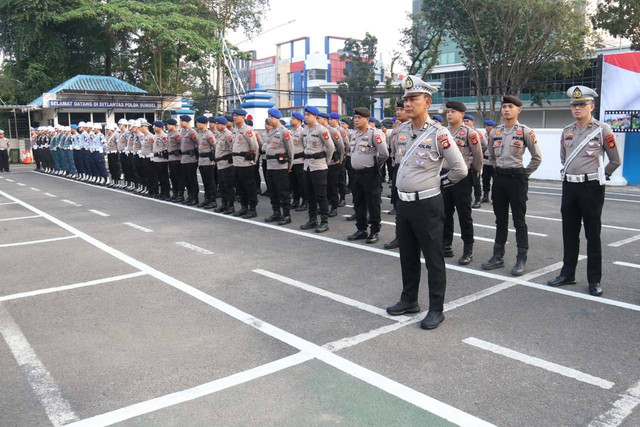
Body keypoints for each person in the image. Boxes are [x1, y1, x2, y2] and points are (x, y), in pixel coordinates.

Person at [386, 75, 467, 330]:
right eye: (405, 99)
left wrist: (437, 186)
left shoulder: (439, 133)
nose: (407, 103)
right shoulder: (401, 132)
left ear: (427, 102)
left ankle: (436, 309)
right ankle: (409, 300)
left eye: (413, 98)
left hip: (428, 205)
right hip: (405, 204)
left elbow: (460, 169)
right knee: (407, 256)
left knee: (433, 259)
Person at [547, 86, 622, 297]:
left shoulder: (602, 130)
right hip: (569, 186)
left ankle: (594, 280)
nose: (577, 108)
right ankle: (567, 274)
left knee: (592, 235)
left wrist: (600, 176)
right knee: (569, 233)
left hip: (591, 187)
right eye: (574, 104)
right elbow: (564, 158)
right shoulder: (566, 131)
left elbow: (615, 160)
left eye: (581, 104)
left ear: (591, 106)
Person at [482, 95, 542, 276]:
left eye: (510, 107)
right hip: (499, 178)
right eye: (504, 106)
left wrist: (524, 174)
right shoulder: (495, 132)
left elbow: (537, 157)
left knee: (519, 220)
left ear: (518, 110)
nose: (506, 109)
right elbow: (490, 155)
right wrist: (498, 170)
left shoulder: (525, 131)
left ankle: (521, 259)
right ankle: (497, 257)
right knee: (500, 219)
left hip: (517, 179)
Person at [442, 101, 483, 265]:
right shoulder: (442, 132)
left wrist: (474, 172)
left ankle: (468, 249)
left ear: (462, 114)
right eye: (448, 112)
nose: (449, 114)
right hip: (444, 176)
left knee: (464, 215)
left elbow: (478, 155)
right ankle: (446, 245)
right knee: (445, 213)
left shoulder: (469, 133)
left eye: (453, 111)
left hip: (462, 178)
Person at [347, 107, 389, 244]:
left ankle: (374, 230)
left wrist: (376, 167)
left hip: (370, 174)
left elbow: (384, 154)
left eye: (359, 118)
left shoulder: (374, 134)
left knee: (373, 204)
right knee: (358, 202)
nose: (356, 120)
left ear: (366, 119)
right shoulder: (354, 134)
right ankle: (361, 229)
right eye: (355, 117)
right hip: (356, 174)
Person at [300, 105, 334, 233]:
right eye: (305, 114)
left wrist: (325, 161)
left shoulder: (321, 130)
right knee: (309, 194)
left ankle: (324, 221)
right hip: (307, 165)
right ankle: (312, 219)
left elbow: (330, 147)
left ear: (315, 116)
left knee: (321, 195)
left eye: (308, 115)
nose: (306, 117)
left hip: (319, 166)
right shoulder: (305, 130)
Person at [384, 101, 410, 250]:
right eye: (398, 109)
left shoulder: (421, 129)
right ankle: (399, 237)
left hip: (413, 170)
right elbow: (393, 151)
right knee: (398, 205)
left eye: (402, 109)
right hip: (398, 168)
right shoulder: (397, 130)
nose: (399, 111)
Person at [263, 108, 294, 225]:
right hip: (270, 166)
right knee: (272, 191)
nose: (269, 119)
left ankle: (286, 215)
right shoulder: (270, 132)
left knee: (283, 192)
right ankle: (276, 212)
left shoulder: (284, 132)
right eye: (268, 117)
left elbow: (290, 149)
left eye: (271, 117)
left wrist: (290, 165)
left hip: (280, 166)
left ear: (277, 118)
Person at [231, 109, 260, 218]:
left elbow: (255, 146)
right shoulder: (235, 130)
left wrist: (254, 160)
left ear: (243, 117)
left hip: (246, 163)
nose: (234, 117)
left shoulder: (248, 130)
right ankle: (244, 207)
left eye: (237, 115)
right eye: (233, 115)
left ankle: (252, 209)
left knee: (249, 186)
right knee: (240, 187)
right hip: (237, 163)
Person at [319, 112, 345, 217]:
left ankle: (334, 207)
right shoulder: (317, 130)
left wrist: (340, 159)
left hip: (332, 163)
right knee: (322, 187)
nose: (317, 120)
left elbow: (341, 147)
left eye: (319, 118)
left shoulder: (332, 131)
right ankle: (323, 207)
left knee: (332, 185)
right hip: (320, 163)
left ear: (325, 120)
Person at [213, 116, 236, 214]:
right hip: (219, 164)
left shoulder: (228, 135)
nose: (216, 125)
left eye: (218, 123)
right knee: (222, 186)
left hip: (227, 164)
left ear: (223, 124)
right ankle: (224, 204)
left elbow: (232, 148)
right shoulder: (219, 135)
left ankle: (230, 205)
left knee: (228, 186)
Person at [463, 113, 485, 209]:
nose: (465, 122)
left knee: (476, 182)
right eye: (464, 121)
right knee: (465, 182)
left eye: (467, 121)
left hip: (474, 161)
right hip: (464, 162)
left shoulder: (476, 133)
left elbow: (484, 145)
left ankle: (477, 200)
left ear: (473, 122)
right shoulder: (462, 132)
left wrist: (476, 153)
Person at [195, 115, 217, 209]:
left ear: (203, 123)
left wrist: (214, 156)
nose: (196, 124)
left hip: (208, 161)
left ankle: (213, 200)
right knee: (205, 182)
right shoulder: (200, 134)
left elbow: (215, 145)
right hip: (202, 161)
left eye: (198, 122)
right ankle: (207, 199)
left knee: (210, 182)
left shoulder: (209, 134)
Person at [289, 112, 307, 212]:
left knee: (302, 183)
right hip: (292, 161)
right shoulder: (290, 132)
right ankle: (296, 201)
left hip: (300, 161)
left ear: (299, 121)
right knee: (293, 183)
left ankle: (305, 201)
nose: (291, 120)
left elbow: (305, 146)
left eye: (293, 118)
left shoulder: (302, 132)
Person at [165, 118, 185, 203]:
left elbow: (182, 144)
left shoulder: (177, 134)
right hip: (170, 158)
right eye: (167, 124)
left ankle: (180, 195)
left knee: (178, 177)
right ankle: (175, 193)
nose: (167, 126)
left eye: (169, 124)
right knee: (172, 177)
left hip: (177, 158)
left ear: (174, 125)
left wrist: (179, 151)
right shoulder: (169, 134)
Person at [152, 120, 171, 200]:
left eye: (155, 126)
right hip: (156, 159)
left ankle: (166, 193)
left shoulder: (164, 136)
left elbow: (167, 146)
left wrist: (164, 153)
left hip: (162, 160)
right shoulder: (156, 136)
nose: (153, 128)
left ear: (159, 127)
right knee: (159, 177)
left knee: (164, 177)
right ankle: (162, 192)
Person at [139, 120, 158, 196]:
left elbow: (154, 147)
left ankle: (154, 191)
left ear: (146, 127)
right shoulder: (144, 136)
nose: (140, 128)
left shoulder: (151, 136)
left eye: (142, 127)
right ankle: (150, 190)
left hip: (150, 158)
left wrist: (152, 154)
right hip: (144, 158)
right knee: (147, 174)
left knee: (152, 175)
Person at [481, 120, 496, 203]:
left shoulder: (497, 136)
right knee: (485, 180)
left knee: (495, 181)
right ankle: (485, 196)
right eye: (486, 126)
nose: (486, 128)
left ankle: (495, 198)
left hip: (494, 162)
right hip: (486, 161)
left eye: (488, 126)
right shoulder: (485, 136)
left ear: (493, 127)